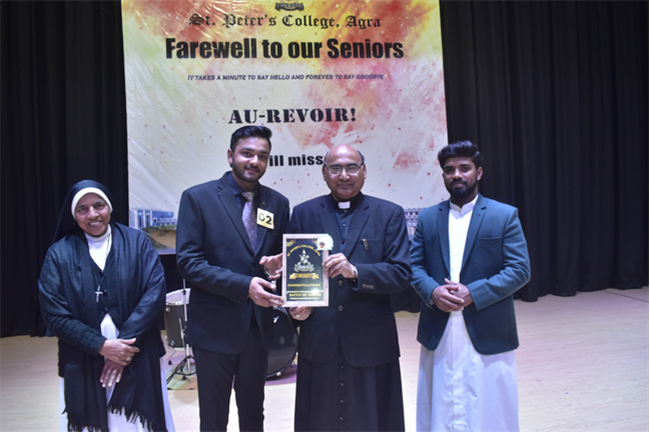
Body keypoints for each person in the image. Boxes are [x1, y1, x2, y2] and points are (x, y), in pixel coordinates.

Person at [287, 144, 412, 431]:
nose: (344, 175)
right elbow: (292, 277)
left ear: (364, 171)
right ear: (324, 173)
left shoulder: (388, 213)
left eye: (351, 167)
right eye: (335, 168)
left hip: (371, 338)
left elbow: (401, 273)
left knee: (374, 419)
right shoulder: (304, 213)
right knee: (320, 418)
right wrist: (293, 307)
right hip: (320, 336)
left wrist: (355, 271)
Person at [410, 141, 531, 431]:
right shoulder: (427, 218)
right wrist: (433, 292)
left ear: (479, 172)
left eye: (464, 168)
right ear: (443, 175)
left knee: (490, 405)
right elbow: (414, 267)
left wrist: (473, 293)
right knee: (440, 402)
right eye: (449, 169)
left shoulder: (503, 215)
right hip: (439, 326)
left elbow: (519, 270)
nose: (457, 174)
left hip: (487, 324)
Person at [176, 125, 290, 432]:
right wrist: (244, 286)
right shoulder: (198, 198)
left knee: (253, 415)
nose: (255, 161)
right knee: (214, 418)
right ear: (230, 155)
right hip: (214, 328)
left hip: (258, 328)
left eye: (262, 156)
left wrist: (277, 268)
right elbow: (188, 263)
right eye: (247, 153)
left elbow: (277, 260)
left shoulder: (277, 203)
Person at [38, 180, 174, 432]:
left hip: (137, 349)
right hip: (84, 354)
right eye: (82, 209)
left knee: (138, 422)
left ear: (109, 207)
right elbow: (54, 314)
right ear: (73, 215)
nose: (92, 214)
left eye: (98, 205)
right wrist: (101, 346)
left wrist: (122, 350)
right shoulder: (59, 253)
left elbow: (154, 295)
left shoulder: (137, 242)